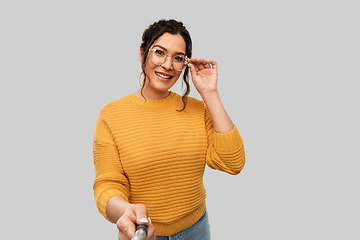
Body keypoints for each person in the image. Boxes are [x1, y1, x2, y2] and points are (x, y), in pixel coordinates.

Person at [92, 19, 245, 240]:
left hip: (197, 228)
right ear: (142, 54)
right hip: (145, 233)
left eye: (178, 58)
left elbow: (233, 163)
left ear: (185, 64)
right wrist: (126, 211)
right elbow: (108, 183)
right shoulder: (112, 114)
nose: (167, 64)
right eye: (159, 52)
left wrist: (210, 94)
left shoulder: (198, 109)